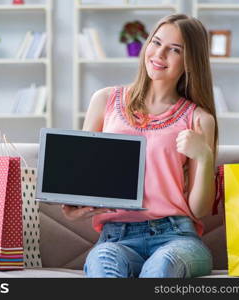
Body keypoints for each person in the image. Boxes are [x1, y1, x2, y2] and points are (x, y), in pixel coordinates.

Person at [62, 14, 218, 278]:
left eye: (175, 50)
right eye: (156, 42)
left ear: (190, 62)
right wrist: (76, 207)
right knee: (102, 263)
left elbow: (199, 209)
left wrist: (203, 156)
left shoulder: (200, 119)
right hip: (116, 238)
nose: (159, 54)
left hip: (177, 237)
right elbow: (85, 178)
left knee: (162, 266)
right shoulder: (105, 100)